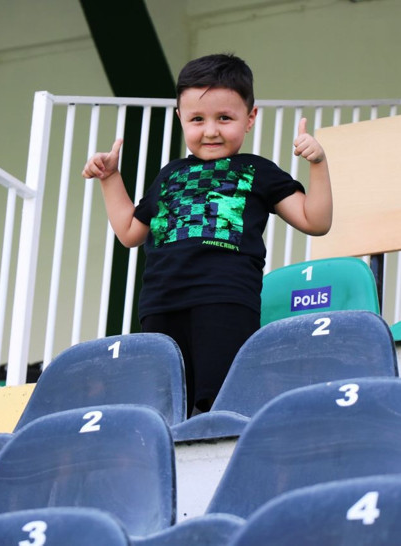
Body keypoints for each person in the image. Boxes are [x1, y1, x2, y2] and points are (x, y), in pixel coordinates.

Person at [83, 53, 332, 416]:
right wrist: (110, 178)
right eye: (197, 119)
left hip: (225, 301)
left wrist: (318, 163)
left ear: (250, 119)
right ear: (180, 118)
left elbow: (316, 220)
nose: (211, 130)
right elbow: (128, 232)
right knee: (165, 406)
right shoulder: (170, 174)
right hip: (160, 304)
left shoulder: (257, 170)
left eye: (225, 118)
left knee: (223, 402)